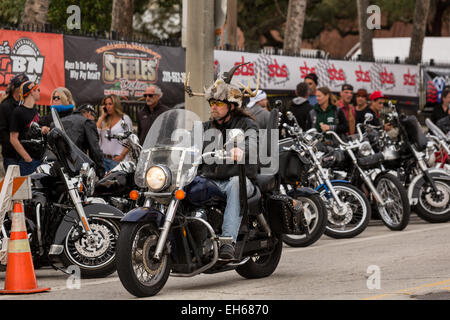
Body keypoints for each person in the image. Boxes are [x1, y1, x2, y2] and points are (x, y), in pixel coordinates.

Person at [199, 78, 258, 260]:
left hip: (241, 179)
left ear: (231, 106)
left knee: (234, 183)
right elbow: (187, 143)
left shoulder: (246, 124)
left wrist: (241, 150)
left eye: (217, 103)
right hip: (212, 180)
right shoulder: (205, 127)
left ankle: (227, 242)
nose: (213, 107)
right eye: (211, 103)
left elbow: (254, 142)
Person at [9, 81, 50, 175]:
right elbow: (13, 138)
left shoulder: (35, 111)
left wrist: (43, 128)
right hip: (27, 162)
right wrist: (27, 158)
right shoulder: (18, 111)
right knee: (25, 189)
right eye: (38, 90)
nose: (40, 92)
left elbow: (34, 129)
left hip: (39, 159)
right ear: (31, 91)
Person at [61, 104, 105, 178]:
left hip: (57, 166)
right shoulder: (87, 122)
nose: (93, 120)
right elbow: (95, 151)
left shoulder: (62, 120)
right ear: (88, 113)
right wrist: (100, 173)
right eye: (93, 118)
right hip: (75, 167)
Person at [96, 94, 133, 172]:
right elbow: (95, 133)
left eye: (110, 104)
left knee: (118, 183)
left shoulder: (125, 119)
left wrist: (122, 155)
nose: (108, 106)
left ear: (115, 105)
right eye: (105, 104)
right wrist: (102, 116)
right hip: (104, 159)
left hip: (118, 160)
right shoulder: (102, 120)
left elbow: (130, 140)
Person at [0, 73, 29, 171]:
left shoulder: (27, 104)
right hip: (11, 156)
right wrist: (15, 148)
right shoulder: (5, 106)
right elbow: (2, 131)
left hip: (26, 154)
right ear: (16, 88)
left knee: (27, 184)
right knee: (13, 184)